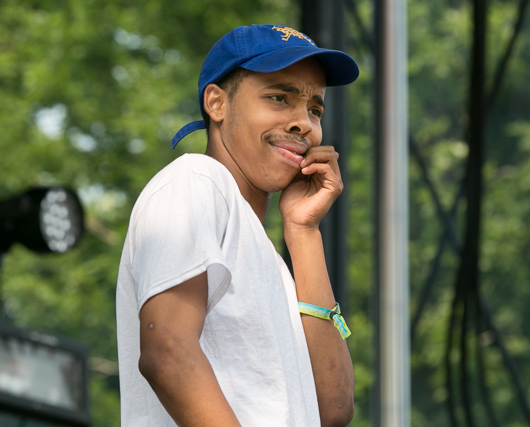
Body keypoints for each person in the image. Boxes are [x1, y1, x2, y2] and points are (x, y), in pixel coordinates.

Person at [116, 24, 359, 426]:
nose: (304, 123)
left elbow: (333, 409)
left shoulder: (273, 261)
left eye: (315, 109)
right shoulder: (196, 181)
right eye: (279, 98)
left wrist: (304, 232)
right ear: (217, 103)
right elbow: (167, 352)